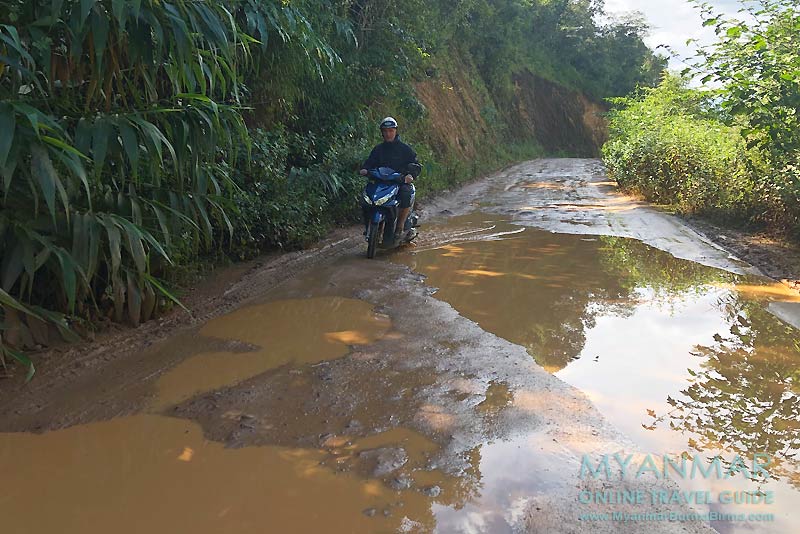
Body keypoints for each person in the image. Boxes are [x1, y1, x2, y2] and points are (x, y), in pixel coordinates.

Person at [359, 116, 419, 245]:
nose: (388, 134)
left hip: (399, 182)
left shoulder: (405, 149)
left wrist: (410, 175)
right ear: (382, 132)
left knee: (406, 193)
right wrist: (365, 169)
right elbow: (369, 162)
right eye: (385, 131)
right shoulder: (378, 149)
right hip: (380, 182)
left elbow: (415, 164)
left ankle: (400, 227)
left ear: (396, 131)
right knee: (366, 197)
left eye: (391, 131)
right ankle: (369, 227)